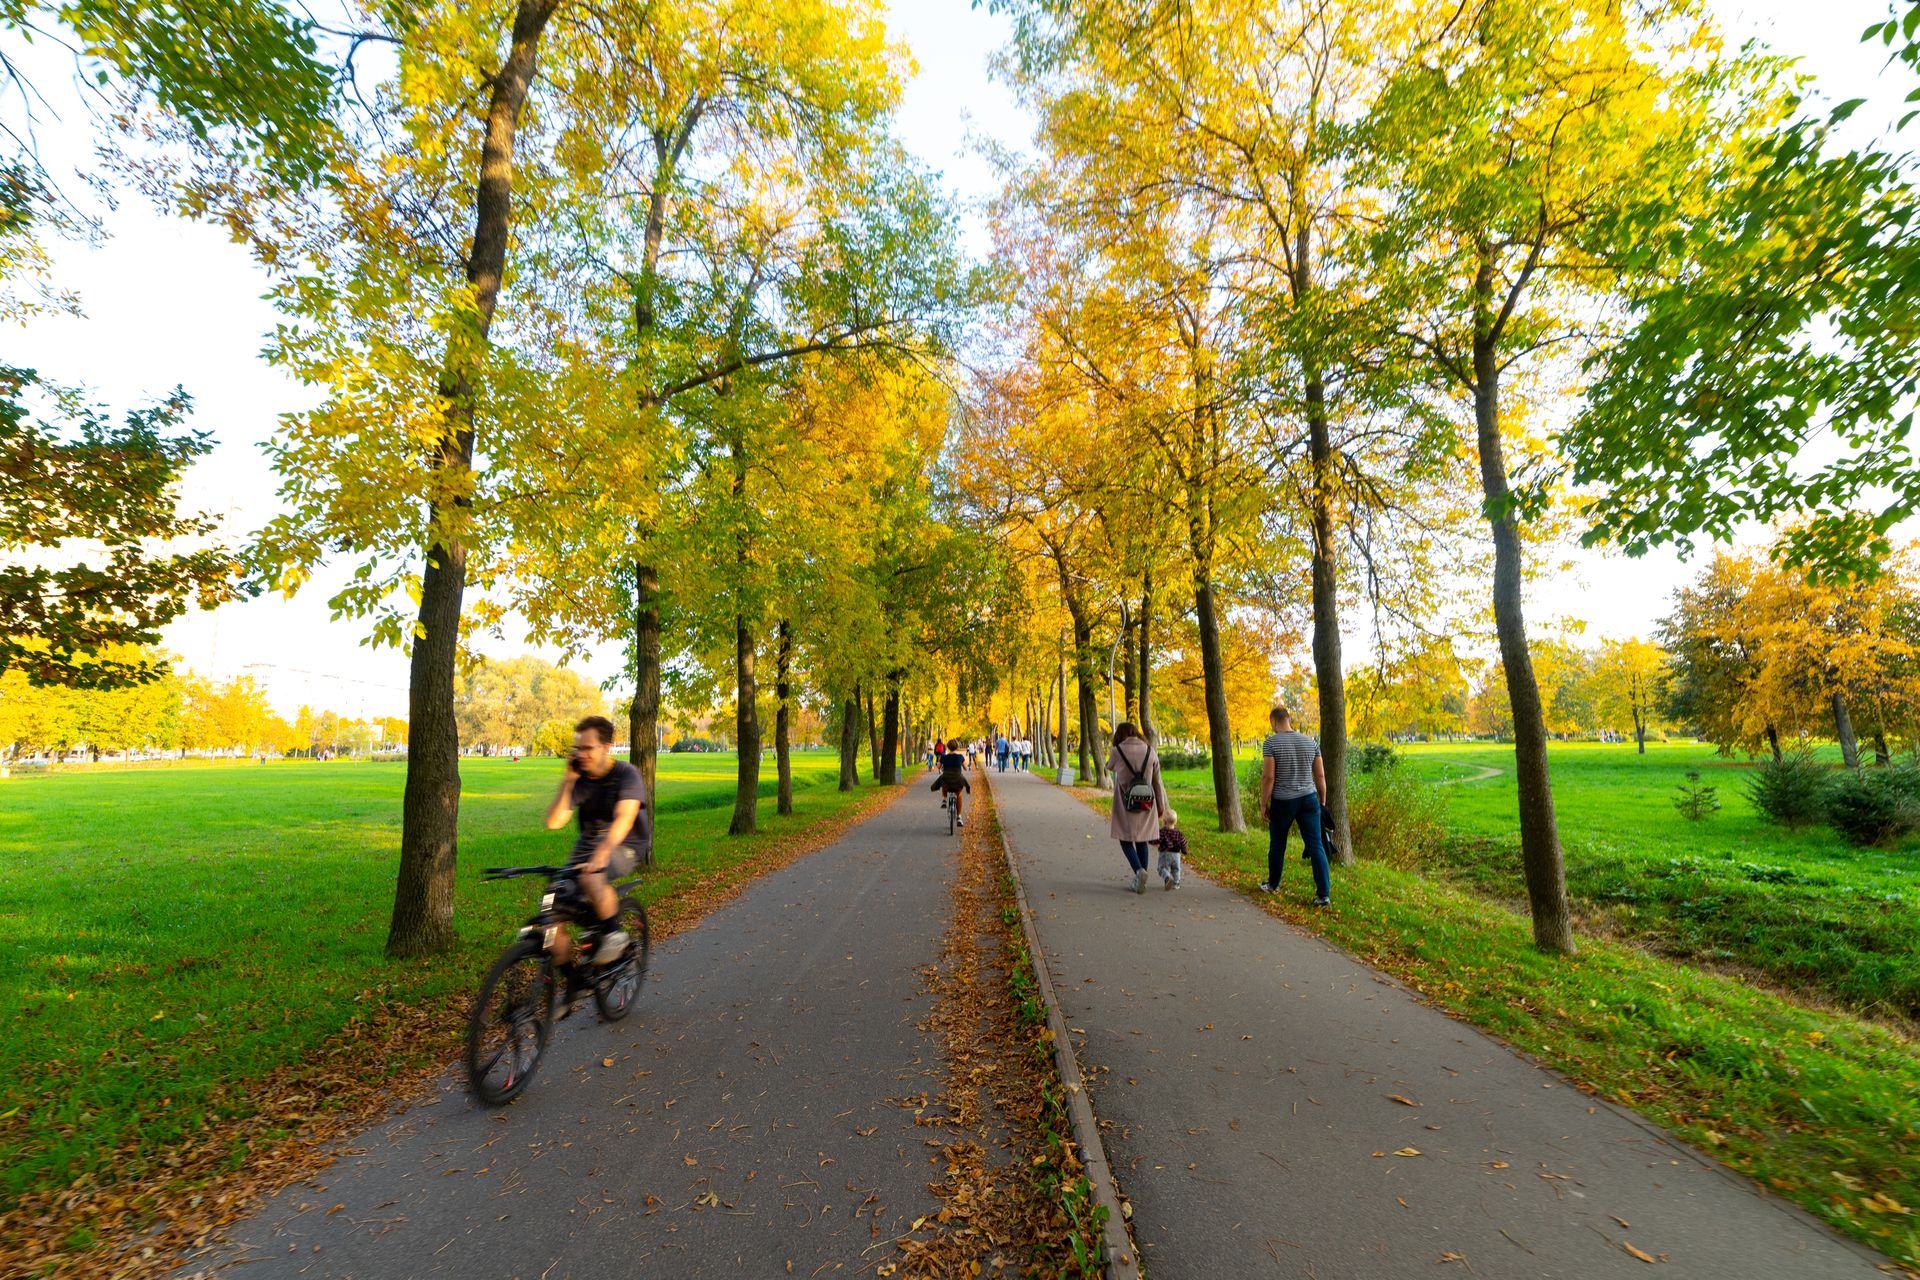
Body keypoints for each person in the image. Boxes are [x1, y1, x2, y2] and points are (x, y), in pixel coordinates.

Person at [544, 714, 651, 965]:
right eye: (578, 748)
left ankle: (614, 934)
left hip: (625, 845)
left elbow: (624, 818)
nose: (581, 754)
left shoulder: (626, 774)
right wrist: (568, 781)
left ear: (606, 747)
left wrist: (601, 856)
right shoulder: (580, 779)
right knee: (550, 909)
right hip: (586, 847)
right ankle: (570, 988)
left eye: (588, 748)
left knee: (592, 876)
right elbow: (554, 822)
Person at [1258, 705, 1330, 906]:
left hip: (1283, 801)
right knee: (1316, 845)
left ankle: (1273, 885)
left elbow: (1268, 777)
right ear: (1289, 719)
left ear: (1273, 722)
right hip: (1309, 798)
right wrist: (1321, 801)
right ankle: (1323, 895)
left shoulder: (1270, 743)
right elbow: (1320, 775)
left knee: (1278, 844)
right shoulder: (1311, 742)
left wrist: (1263, 803)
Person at [1107, 722, 1171, 894]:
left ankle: (1139, 871)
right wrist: (1161, 806)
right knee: (1142, 839)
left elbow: (1109, 766)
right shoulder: (1151, 751)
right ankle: (1142, 876)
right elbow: (1157, 782)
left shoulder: (1117, 751)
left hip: (1125, 803)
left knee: (1125, 840)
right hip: (1147, 804)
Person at [930, 740, 970, 826]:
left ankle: (944, 799)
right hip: (957, 780)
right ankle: (959, 817)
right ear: (957, 747)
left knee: (943, 781)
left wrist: (938, 764)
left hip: (947, 780)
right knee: (959, 795)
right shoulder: (960, 757)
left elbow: (939, 767)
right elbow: (966, 768)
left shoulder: (944, 757)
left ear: (948, 747)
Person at [1154, 810, 1187, 890]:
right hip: (1176, 854)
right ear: (1175, 822)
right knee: (1176, 869)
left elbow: (1158, 840)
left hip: (1165, 853)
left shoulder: (1162, 832)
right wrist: (1184, 850)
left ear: (1164, 822)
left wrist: (1151, 841)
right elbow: (1183, 842)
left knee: (1161, 868)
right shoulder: (1179, 833)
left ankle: (1167, 877)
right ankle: (1176, 883)